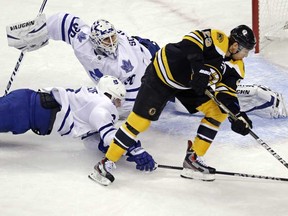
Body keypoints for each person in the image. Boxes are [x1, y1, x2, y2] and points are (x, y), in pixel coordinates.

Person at [6, 14, 286, 119]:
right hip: (152, 56)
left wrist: (96, 103)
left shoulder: (122, 63)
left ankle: (254, 96)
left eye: (113, 36)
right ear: (95, 40)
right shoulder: (82, 36)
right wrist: (37, 32)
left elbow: (127, 102)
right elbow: (60, 22)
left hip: (152, 67)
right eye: (106, 39)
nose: (112, 42)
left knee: (184, 102)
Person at [88, 25, 257, 185]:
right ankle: (105, 164)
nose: (246, 55)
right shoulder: (218, 38)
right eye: (245, 51)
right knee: (140, 121)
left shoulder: (237, 68)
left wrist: (238, 115)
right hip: (162, 73)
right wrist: (200, 69)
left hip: (186, 85)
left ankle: (193, 159)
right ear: (235, 46)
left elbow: (226, 94)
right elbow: (190, 42)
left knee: (217, 112)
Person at [0, 75, 155, 172]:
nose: (118, 105)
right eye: (117, 100)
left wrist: (116, 149)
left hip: (25, 105)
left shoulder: (92, 98)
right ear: (109, 95)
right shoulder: (103, 105)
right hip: (24, 111)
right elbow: (109, 137)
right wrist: (135, 149)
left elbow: (90, 140)